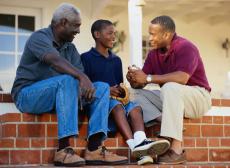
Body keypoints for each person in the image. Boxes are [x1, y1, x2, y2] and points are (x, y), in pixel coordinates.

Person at [11, 3, 128, 167]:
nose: (79, 31)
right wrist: (81, 77)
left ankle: (94, 148)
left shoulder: (70, 48)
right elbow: (55, 61)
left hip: (57, 96)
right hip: (27, 95)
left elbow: (80, 83)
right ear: (63, 23)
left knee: (101, 87)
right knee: (67, 80)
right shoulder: (39, 38)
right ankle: (64, 150)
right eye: (76, 26)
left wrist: (86, 89)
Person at [81, 19, 170, 165]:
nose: (114, 37)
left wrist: (123, 89)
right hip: (100, 104)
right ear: (97, 34)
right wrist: (108, 90)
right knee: (116, 106)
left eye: (114, 33)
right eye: (109, 33)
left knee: (135, 108)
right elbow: (86, 88)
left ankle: (141, 143)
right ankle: (135, 147)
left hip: (118, 102)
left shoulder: (116, 60)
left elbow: (120, 85)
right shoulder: (86, 58)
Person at [127, 15, 211, 164]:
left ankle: (177, 150)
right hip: (171, 98)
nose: (150, 38)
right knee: (133, 93)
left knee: (170, 86)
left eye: (153, 34)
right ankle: (167, 121)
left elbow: (182, 78)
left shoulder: (186, 47)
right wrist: (134, 79)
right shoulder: (153, 54)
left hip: (198, 97)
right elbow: (142, 82)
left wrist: (147, 78)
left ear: (166, 34)